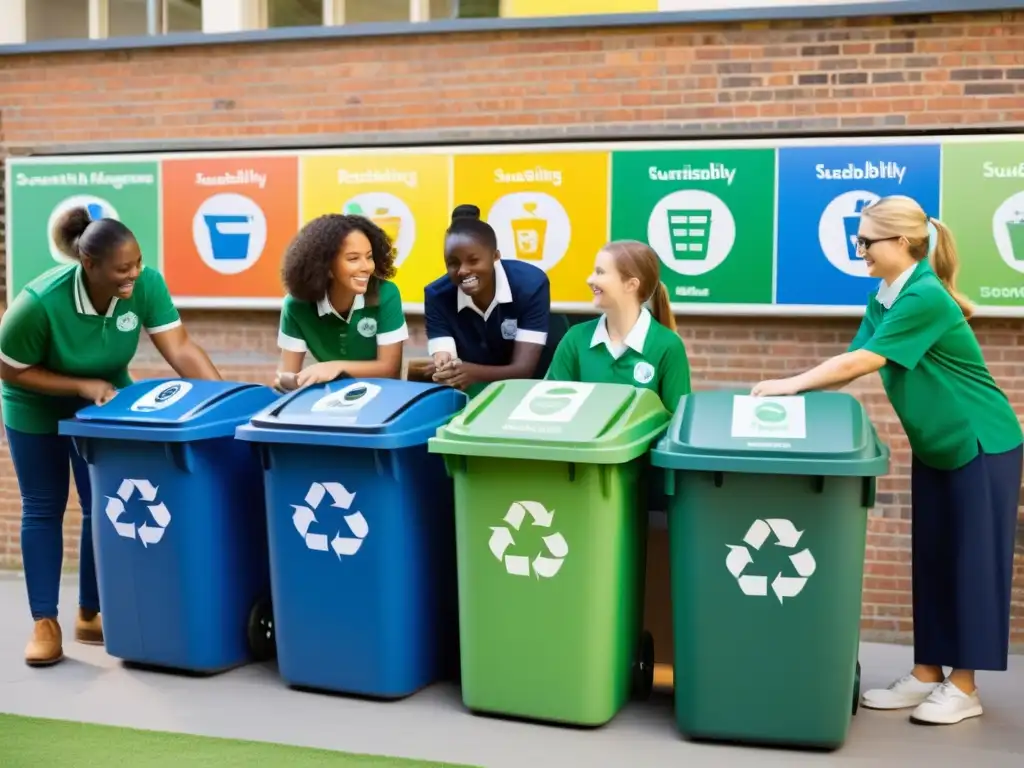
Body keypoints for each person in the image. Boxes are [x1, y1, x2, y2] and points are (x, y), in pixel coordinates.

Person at [751, 195, 1022, 727]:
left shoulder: (924, 296)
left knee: (971, 563)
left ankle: (964, 687)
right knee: (934, 557)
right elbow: (851, 362)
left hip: (981, 443)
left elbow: (864, 359)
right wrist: (804, 399)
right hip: (937, 445)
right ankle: (926, 674)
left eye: (866, 241)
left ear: (902, 243)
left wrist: (790, 384)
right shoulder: (885, 297)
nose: (859, 251)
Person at [0, 206, 222, 668]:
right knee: (44, 505)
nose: (134, 275)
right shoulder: (40, 303)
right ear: (89, 266)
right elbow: (10, 370)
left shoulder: (144, 286)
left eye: (138, 263)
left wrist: (222, 401)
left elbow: (180, 347)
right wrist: (78, 385)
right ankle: (45, 621)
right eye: (124, 268)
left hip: (103, 403)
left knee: (103, 502)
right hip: (35, 401)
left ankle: (90, 611)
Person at [424, 204, 554, 398]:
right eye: (453, 263)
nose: (463, 270)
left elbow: (524, 369)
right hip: (471, 394)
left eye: (473, 260)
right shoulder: (437, 295)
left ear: (495, 256)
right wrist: (446, 365)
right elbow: (445, 354)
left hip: (528, 393)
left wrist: (472, 372)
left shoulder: (531, 284)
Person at [545, 240, 691, 413]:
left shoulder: (668, 345)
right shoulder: (575, 338)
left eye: (600, 272)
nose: (590, 279)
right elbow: (550, 408)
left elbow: (677, 423)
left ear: (631, 285)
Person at [275, 213, 409, 390]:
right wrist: (289, 380)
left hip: (382, 398)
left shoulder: (386, 294)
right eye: (354, 259)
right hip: (329, 401)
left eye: (369, 257)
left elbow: (390, 369)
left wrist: (334, 367)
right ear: (326, 267)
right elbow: (286, 377)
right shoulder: (296, 305)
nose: (367, 267)